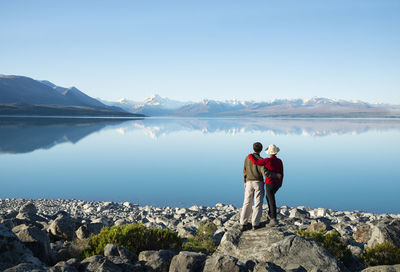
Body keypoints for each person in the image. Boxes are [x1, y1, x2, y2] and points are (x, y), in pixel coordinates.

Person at [241, 142, 281, 231]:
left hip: (248, 182)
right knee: (258, 203)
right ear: (261, 150)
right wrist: (276, 176)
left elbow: (244, 170)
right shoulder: (261, 160)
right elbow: (266, 173)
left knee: (247, 202)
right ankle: (255, 224)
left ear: (253, 148)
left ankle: (243, 223)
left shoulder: (247, 158)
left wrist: (245, 181)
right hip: (258, 182)